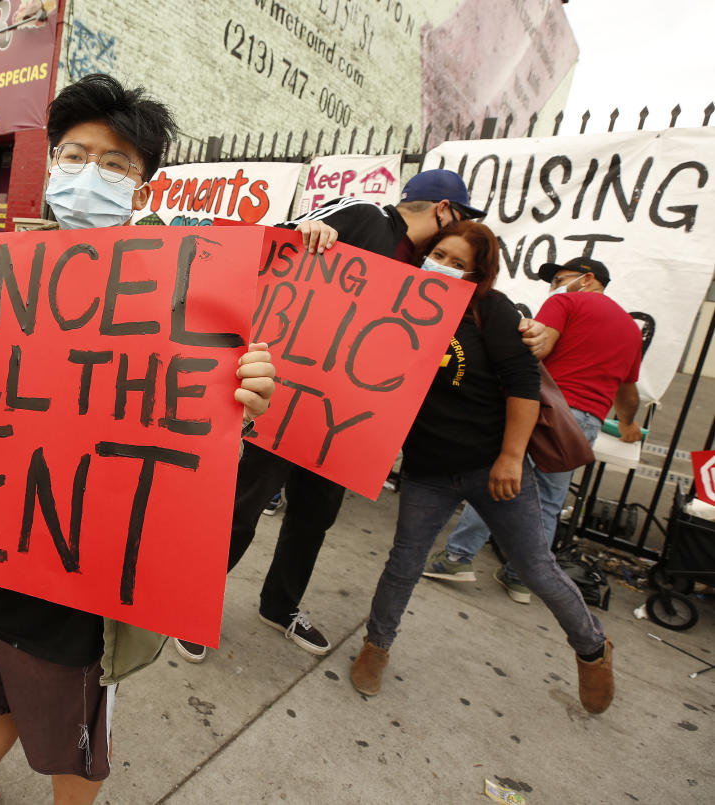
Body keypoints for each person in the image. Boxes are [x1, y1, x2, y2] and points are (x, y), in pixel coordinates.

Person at [0, 74, 275, 805]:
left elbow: (189, 430)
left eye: (116, 162)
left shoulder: (184, 294)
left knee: (74, 738)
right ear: (51, 164)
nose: (89, 173)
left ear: (144, 185)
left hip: (80, 583)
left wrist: (239, 405)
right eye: (74, 154)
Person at [173, 169, 485, 664]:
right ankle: (188, 606)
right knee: (241, 511)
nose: (455, 233)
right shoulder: (363, 217)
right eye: (460, 218)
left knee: (314, 519)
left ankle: (280, 606)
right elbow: (272, 254)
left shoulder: (428, 272)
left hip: (343, 420)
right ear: (443, 209)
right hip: (285, 402)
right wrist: (303, 233)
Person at [350, 221, 614, 715]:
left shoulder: (490, 312)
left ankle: (593, 650)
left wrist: (511, 457)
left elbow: (523, 386)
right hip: (428, 469)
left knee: (536, 567)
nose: (443, 267)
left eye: (457, 263)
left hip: (491, 466)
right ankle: (376, 647)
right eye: (438, 254)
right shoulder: (400, 303)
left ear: (477, 273)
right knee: (403, 564)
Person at [424, 257, 644, 602]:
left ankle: (456, 558)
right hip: (584, 423)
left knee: (499, 482)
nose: (553, 286)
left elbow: (537, 349)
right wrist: (628, 423)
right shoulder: (631, 329)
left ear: (587, 279)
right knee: (548, 501)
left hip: (546, 411)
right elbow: (628, 393)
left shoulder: (565, 300)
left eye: (559, 278)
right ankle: (521, 578)